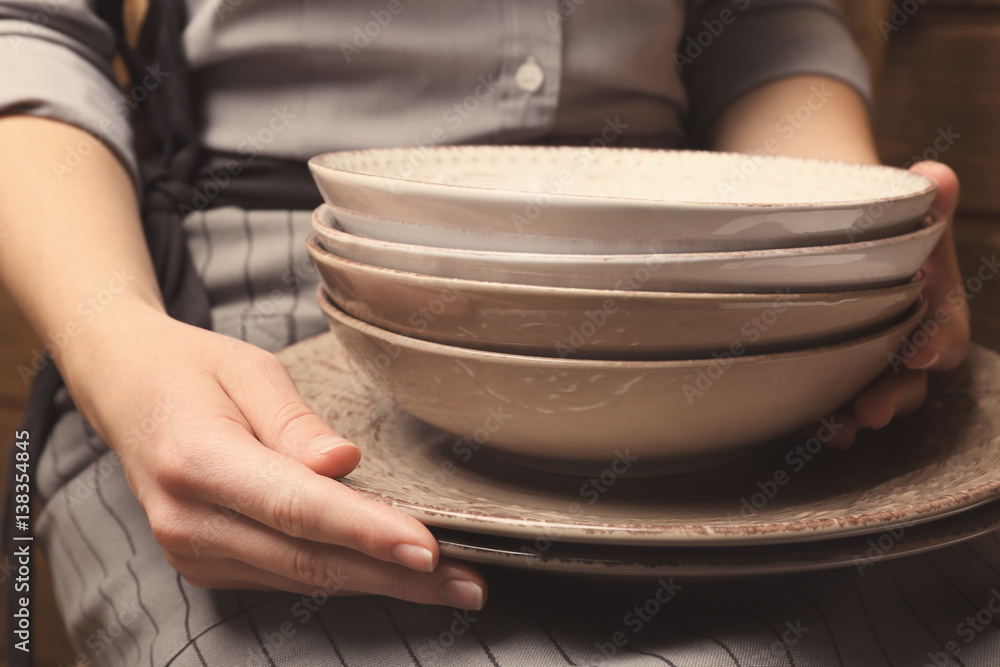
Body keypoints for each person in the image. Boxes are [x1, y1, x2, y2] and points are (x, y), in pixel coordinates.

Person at [0, 0, 988, 665]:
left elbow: (755, 19)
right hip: (247, 298)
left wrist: (842, 241)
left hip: (702, 266)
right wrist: (116, 346)